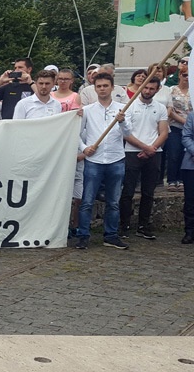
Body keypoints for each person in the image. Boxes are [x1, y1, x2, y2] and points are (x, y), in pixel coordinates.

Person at [75, 73, 131, 250]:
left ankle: (111, 235)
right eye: (99, 86)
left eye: (105, 86)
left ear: (112, 87)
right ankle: (83, 235)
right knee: (87, 201)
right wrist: (84, 148)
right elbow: (76, 133)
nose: (102, 89)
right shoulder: (88, 110)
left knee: (113, 202)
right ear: (94, 88)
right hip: (94, 160)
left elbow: (128, 134)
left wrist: (122, 122)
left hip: (116, 159)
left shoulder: (123, 109)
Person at [121, 76, 169, 239]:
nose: (148, 91)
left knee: (148, 192)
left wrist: (152, 148)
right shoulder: (129, 105)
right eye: (146, 88)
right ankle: (124, 225)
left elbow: (163, 131)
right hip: (132, 151)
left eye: (151, 89)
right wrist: (144, 147)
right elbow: (126, 133)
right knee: (127, 191)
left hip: (154, 153)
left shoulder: (161, 108)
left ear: (157, 89)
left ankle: (143, 225)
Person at [166, 70, 192, 190]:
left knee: (186, 153)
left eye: (189, 75)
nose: (187, 77)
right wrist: (184, 122)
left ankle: (182, 179)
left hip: (191, 128)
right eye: (184, 75)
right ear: (180, 75)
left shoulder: (193, 90)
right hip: (176, 125)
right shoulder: (171, 90)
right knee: (174, 153)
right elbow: (169, 110)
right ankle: (171, 180)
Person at [182, 102, 194, 243]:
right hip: (191, 164)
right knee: (190, 200)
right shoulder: (192, 116)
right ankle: (190, 231)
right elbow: (186, 137)